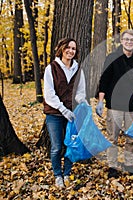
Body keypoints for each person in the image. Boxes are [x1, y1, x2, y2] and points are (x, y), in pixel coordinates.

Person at [95, 29, 133, 178]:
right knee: (112, 137)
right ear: (121, 41)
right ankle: (112, 165)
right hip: (114, 105)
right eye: (126, 39)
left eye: (132, 40)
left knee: (131, 137)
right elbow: (104, 81)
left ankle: (129, 164)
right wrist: (100, 101)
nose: (129, 42)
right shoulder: (112, 58)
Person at [43, 38, 87, 188]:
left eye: (73, 49)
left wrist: (83, 103)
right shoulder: (52, 68)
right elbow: (49, 95)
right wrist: (63, 110)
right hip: (54, 114)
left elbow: (80, 92)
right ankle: (57, 175)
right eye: (68, 47)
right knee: (56, 146)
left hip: (72, 115)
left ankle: (67, 173)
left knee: (70, 145)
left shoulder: (78, 69)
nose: (70, 51)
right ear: (62, 48)